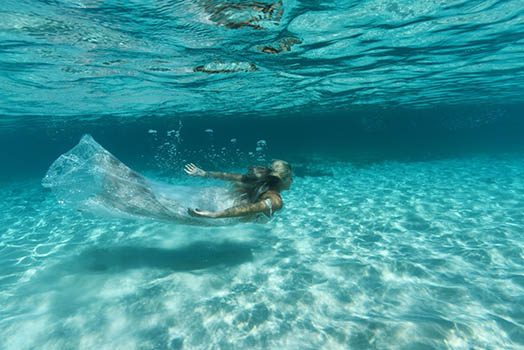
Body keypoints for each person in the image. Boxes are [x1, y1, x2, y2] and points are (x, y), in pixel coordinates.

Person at [184, 159, 292, 220]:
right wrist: (215, 215)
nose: (292, 180)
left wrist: (205, 174)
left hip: (226, 210)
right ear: (281, 179)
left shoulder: (258, 183)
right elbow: (249, 208)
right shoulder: (276, 200)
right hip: (227, 219)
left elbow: (229, 176)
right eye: (290, 177)